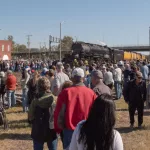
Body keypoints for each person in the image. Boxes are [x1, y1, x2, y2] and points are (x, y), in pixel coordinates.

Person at [54, 68, 97, 150]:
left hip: (70, 130)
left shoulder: (65, 92)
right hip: (87, 129)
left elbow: (59, 113)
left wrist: (59, 128)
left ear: (72, 78)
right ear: (83, 78)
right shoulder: (91, 93)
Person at [28, 77, 57, 150]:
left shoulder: (35, 100)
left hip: (38, 128)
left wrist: (32, 121)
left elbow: (30, 116)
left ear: (38, 86)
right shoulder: (54, 99)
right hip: (51, 127)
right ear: (48, 86)